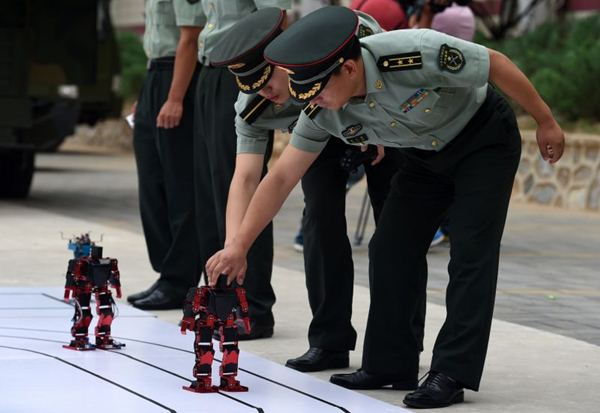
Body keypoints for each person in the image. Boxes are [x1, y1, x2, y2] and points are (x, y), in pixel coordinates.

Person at [205, 6, 565, 408]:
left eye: (320, 91)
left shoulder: (411, 52)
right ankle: (390, 364)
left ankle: (452, 370)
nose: (316, 102)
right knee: (390, 247)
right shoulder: (321, 108)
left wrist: (544, 120)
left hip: (482, 141)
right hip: (421, 155)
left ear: (348, 70)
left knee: (471, 251)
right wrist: (238, 246)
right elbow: (281, 177)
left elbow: (494, 62)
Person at [209, 7, 405, 372]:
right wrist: (235, 249)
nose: (267, 95)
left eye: (269, 83)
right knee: (319, 221)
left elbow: (377, 72)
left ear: (285, 61)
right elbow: (247, 177)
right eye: (256, 89)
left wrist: (375, 125)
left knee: (395, 232)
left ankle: (395, 349)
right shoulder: (252, 106)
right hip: (314, 137)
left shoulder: (339, 37)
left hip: (380, 120)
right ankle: (329, 342)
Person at [192, 0, 291, 340]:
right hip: (219, 67)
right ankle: (223, 294)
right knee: (211, 189)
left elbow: (276, 19)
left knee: (239, 183)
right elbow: (243, 179)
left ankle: (254, 306)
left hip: (263, 64)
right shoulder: (246, 102)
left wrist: (241, 244)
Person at [127, 0, 203, 310]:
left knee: (178, 183)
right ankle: (166, 274)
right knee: (152, 182)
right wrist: (146, 97)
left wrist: (174, 98)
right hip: (156, 72)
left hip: (179, 73)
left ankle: (180, 280)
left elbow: (190, 38)